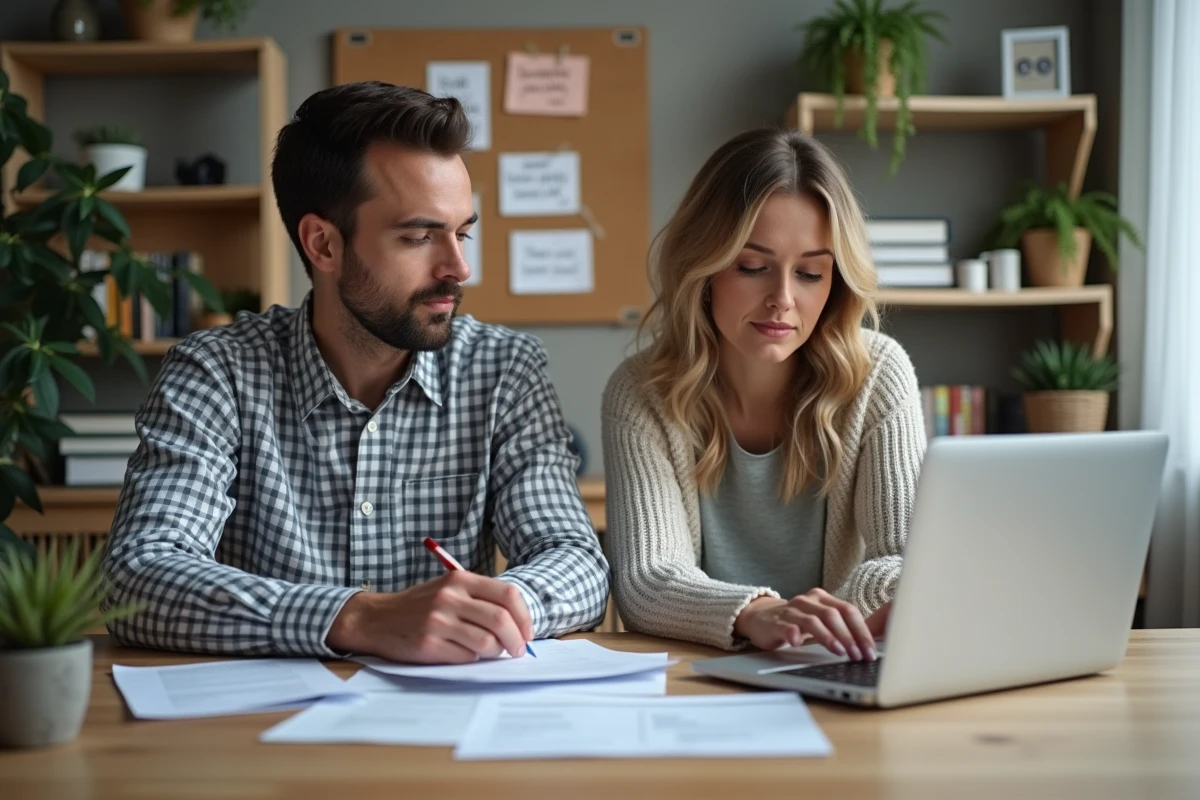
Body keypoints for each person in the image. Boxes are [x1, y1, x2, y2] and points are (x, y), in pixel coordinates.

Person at [102, 82, 610, 663]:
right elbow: (139, 576)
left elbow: (575, 559)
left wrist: (499, 609)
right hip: (262, 732)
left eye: (462, 232)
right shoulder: (216, 373)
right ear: (322, 243)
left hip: (450, 723)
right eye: (419, 237)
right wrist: (358, 616)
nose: (459, 267)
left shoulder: (504, 371)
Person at [601, 128, 925, 658]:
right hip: (697, 674)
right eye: (752, 267)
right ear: (702, 268)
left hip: (837, 661)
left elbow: (908, 557)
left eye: (811, 273)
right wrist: (758, 614)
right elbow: (647, 580)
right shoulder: (641, 392)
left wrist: (817, 624)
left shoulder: (878, 374)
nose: (782, 299)